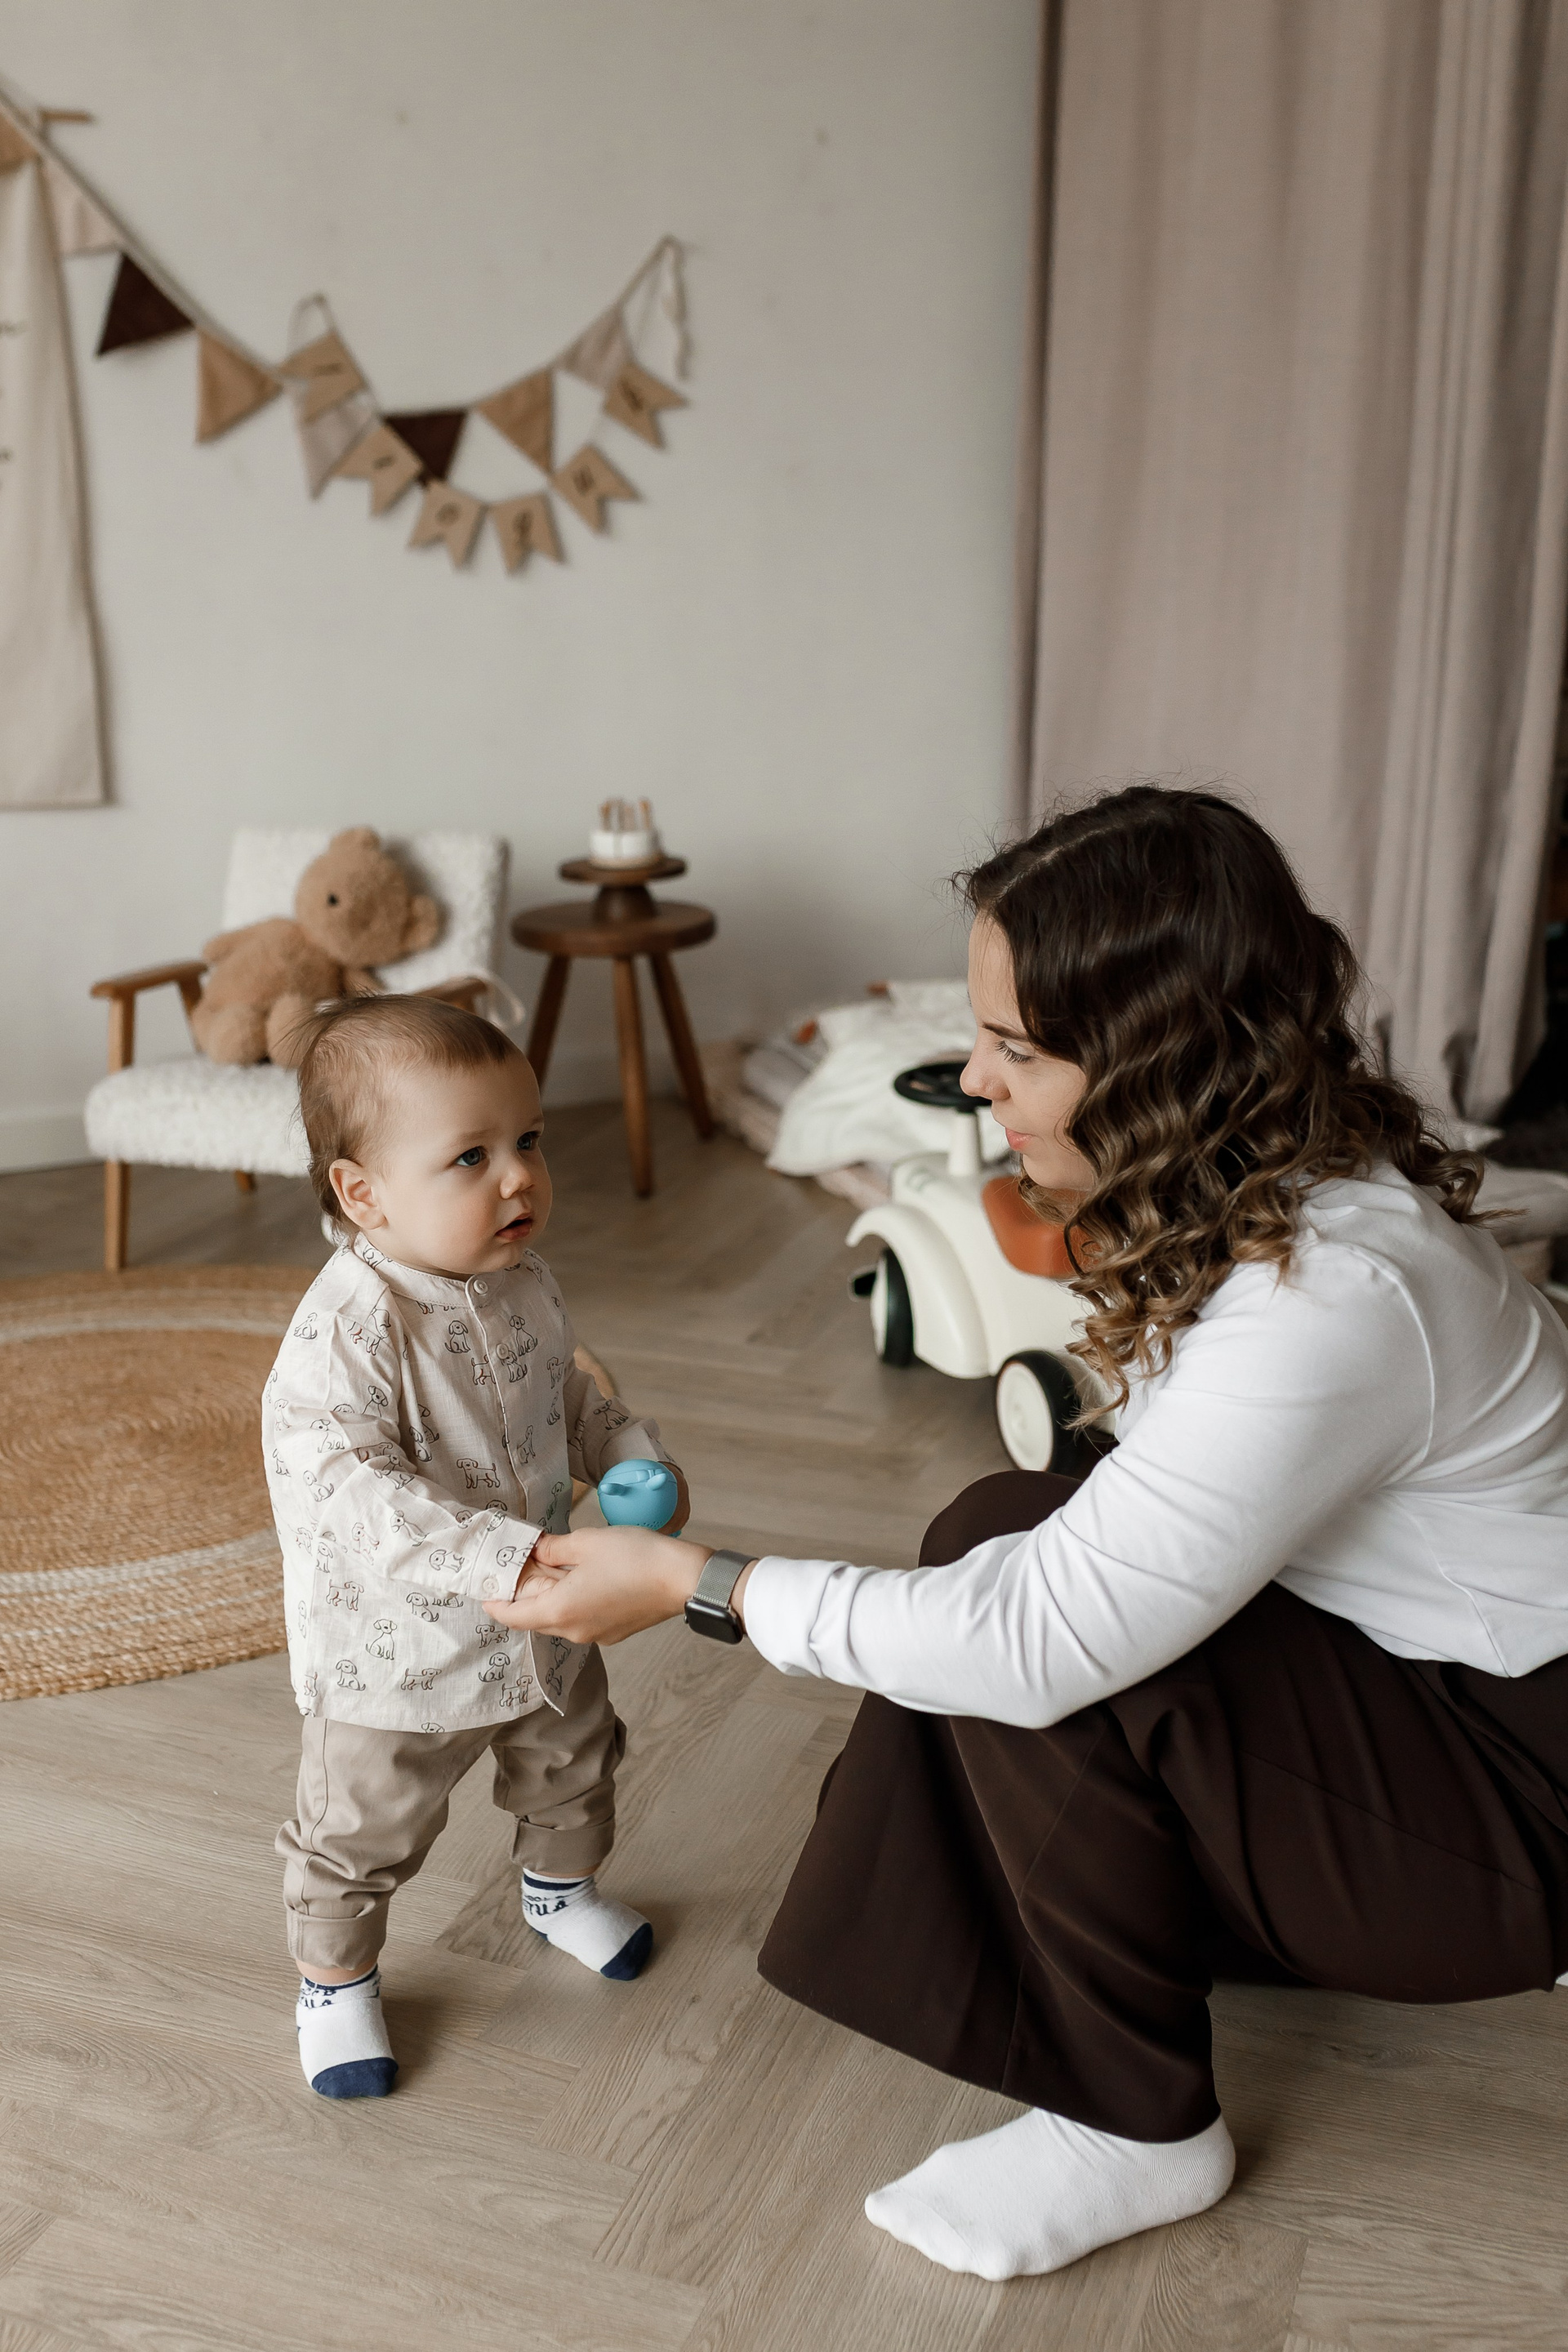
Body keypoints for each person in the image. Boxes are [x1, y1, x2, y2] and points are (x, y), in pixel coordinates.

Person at [486, 785, 1568, 2281]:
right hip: (1428, 1687)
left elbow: (1035, 1640)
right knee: (1001, 1522)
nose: (977, 1076)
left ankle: (1141, 2125)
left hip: (1524, 1802)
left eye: (1019, 1047)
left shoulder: (1332, 1294)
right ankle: (1078, 1937)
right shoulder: (1266, 1185)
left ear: (1162, 1061)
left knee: (1023, 1641)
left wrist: (695, 1586)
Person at [265, 996, 687, 2100]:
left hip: (545, 1617)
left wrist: (626, 1452)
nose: (519, 1179)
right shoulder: (347, 1331)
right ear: (363, 1193)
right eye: (471, 1157)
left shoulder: (523, 1281)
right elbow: (352, 1493)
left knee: (574, 1761)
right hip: (398, 1658)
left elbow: (569, 1395)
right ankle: (335, 1981)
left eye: (528, 1141)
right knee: (362, 1828)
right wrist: (500, 1557)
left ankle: (561, 1891)